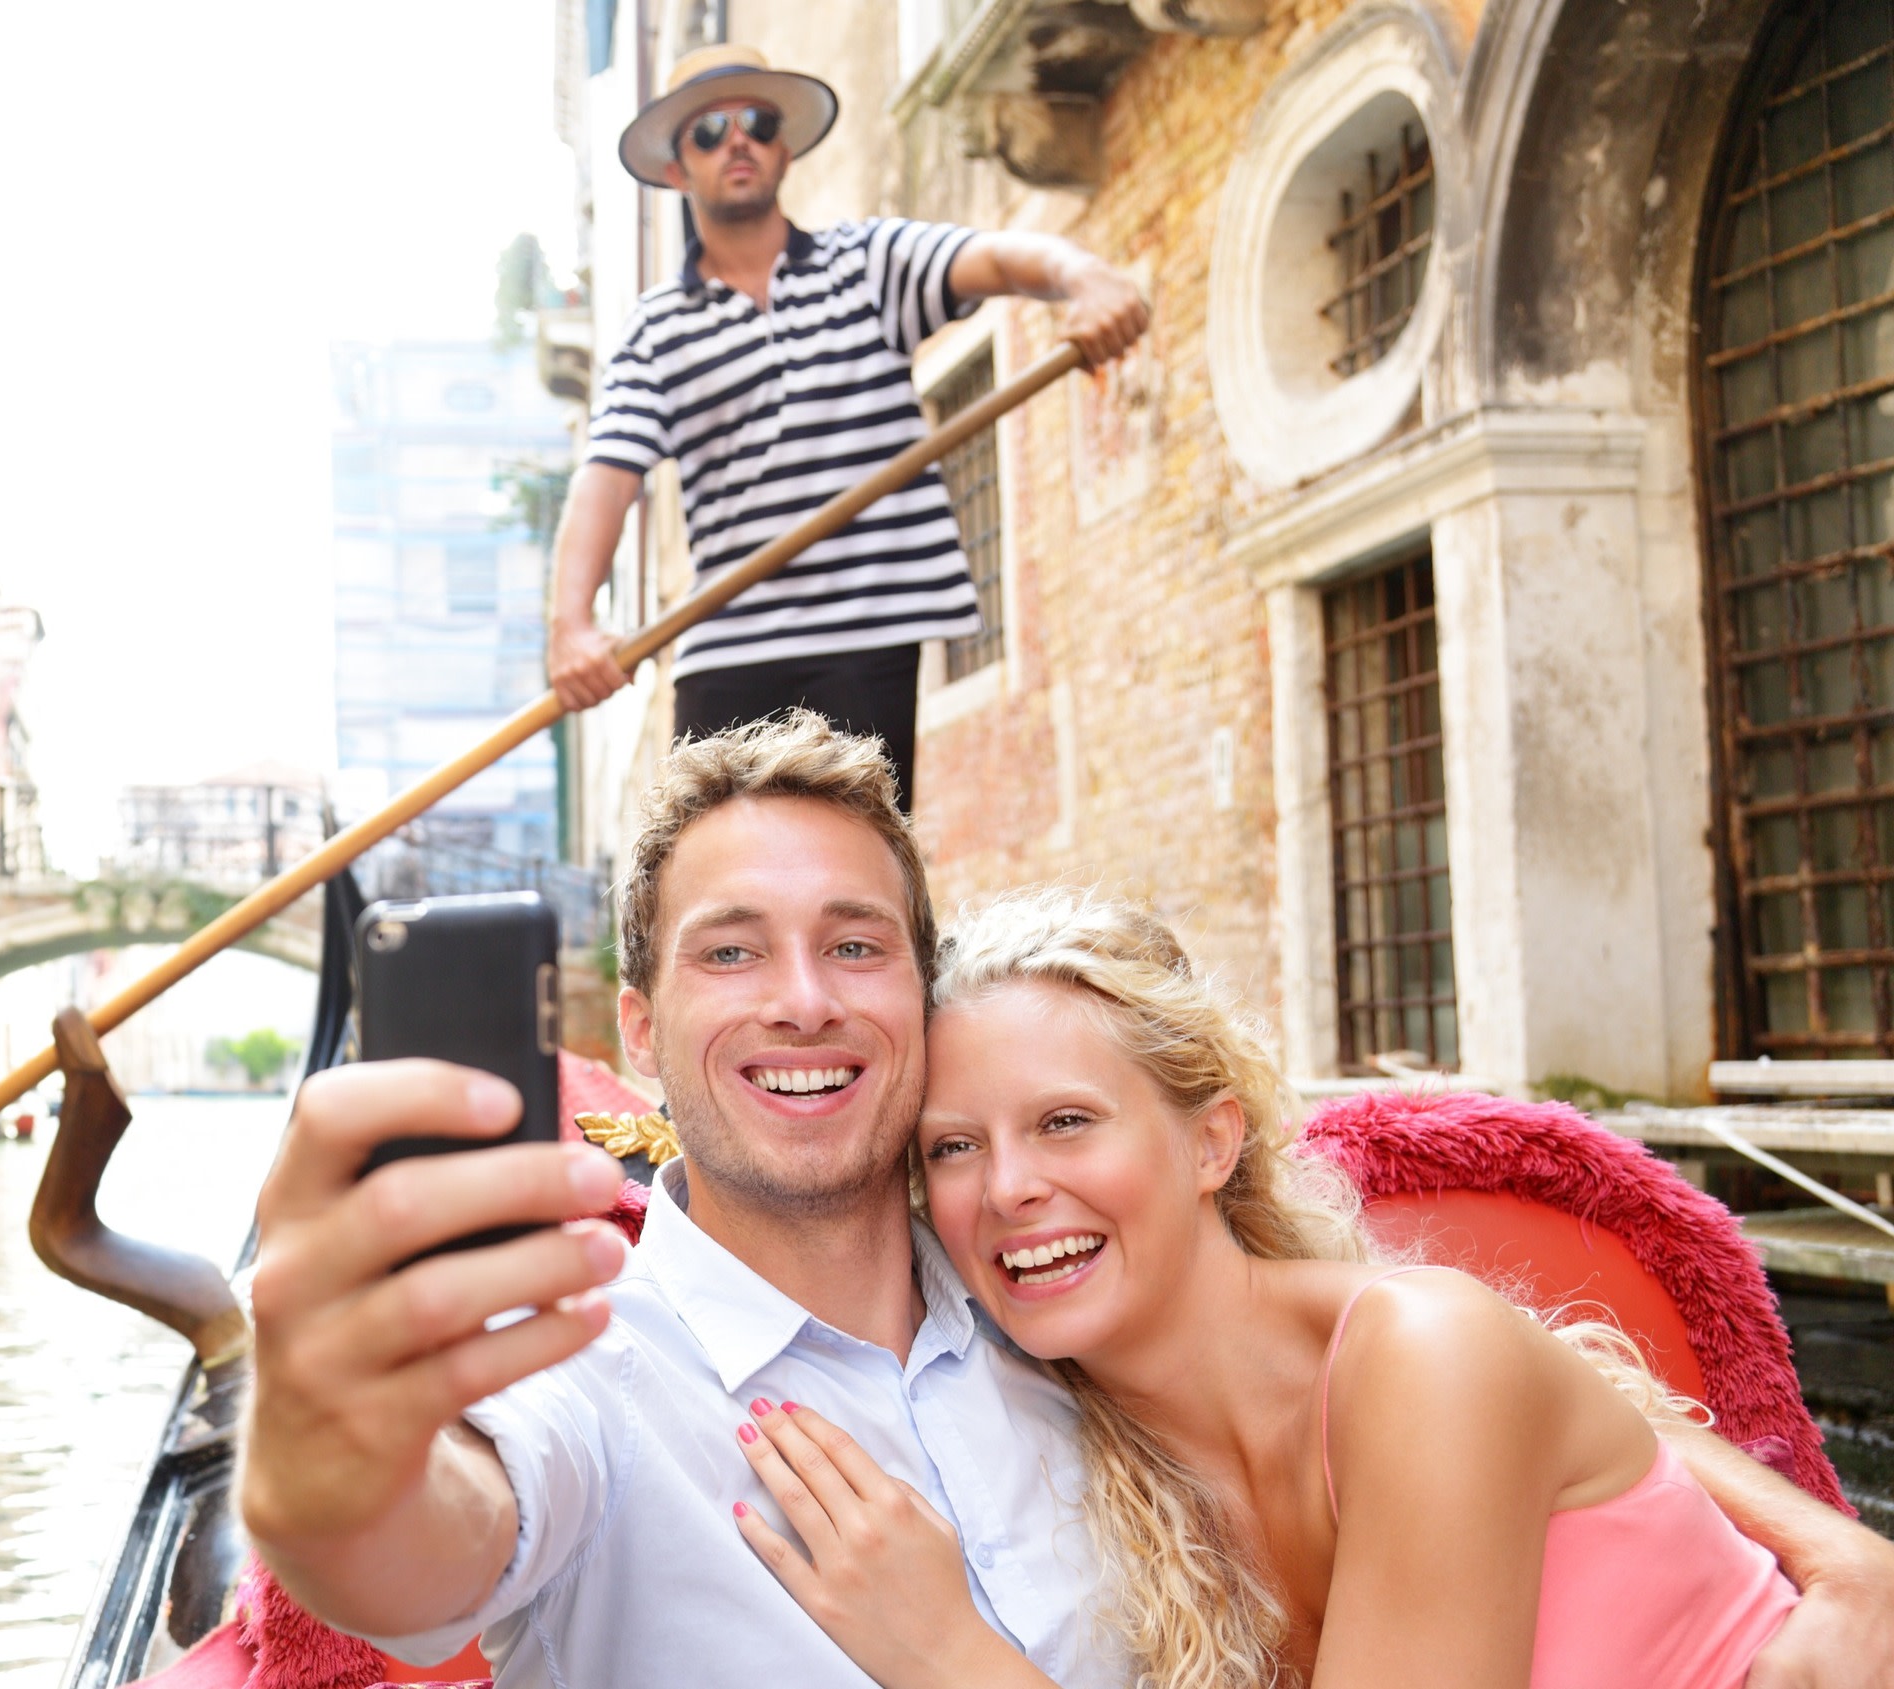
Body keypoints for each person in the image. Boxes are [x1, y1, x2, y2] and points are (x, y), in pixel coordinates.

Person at [235, 711, 1894, 1689]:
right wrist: (323, 1439)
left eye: (858, 943)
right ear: (644, 1033)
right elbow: (412, 1543)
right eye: (731, 947)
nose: (805, 996)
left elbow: (1468, 1373)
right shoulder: (578, 1369)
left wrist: (1842, 1563)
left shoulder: (1052, 1323)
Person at [730, 888, 1833, 1689]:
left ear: (1213, 1142)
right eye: (953, 1149)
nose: (1009, 1188)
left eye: (1065, 1122)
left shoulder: (1423, 1351)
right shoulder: (1082, 1457)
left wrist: (949, 1660)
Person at [542, 44, 1149, 808]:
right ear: (675, 169)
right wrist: (571, 626)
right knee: (710, 868)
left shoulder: (868, 263)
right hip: (728, 640)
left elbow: (997, 258)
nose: (738, 140)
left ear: (783, 149)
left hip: (868, 629)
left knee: (860, 866)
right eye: (710, 129)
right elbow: (607, 478)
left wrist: (1084, 278)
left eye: (758, 123)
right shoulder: (655, 328)